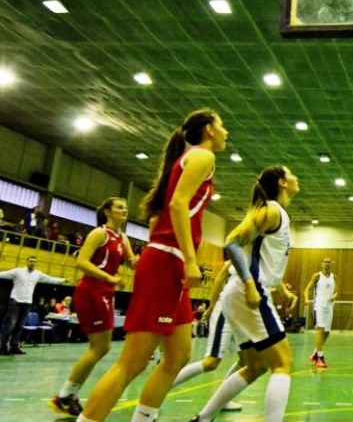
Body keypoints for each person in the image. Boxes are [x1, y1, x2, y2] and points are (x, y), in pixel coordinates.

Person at [77, 109, 228, 422]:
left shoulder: (185, 161)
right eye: (222, 126)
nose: (227, 132)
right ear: (209, 130)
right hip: (167, 262)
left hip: (168, 262)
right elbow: (177, 204)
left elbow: (161, 216)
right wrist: (190, 259)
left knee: (178, 356)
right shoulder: (203, 156)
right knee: (132, 362)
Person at [189, 164, 299, 422]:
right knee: (282, 363)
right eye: (290, 174)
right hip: (248, 290)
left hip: (241, 293)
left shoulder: (277, 212)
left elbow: (261, 257)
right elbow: (232, 243)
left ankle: (203, 418)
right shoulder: (272, 210)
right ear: (282, 182)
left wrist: (280, 288)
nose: (296, 177)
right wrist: (250, 284)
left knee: (256, 366)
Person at [49, 197, 137, 417]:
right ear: (107, 211)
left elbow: (133, 262)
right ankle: (64, 395)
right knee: (98, 348)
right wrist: (109, 277)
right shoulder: (99, 233)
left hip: (106, 293)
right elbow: (82, 262)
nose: (124, 210)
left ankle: (69, 395)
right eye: (119, 207)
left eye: (126, 208)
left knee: (102, 348)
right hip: (91, 291)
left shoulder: (123, 238)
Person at [170, 260, 244, 413]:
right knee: (211, 362)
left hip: (241, 313)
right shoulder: (243, 255)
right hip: (227, 309)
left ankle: (224, 399)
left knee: (246, 360)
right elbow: (220, 277)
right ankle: (158, 392)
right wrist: (211, 307)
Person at [0, 256, 67, 355]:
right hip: (15, 301)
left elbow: (49, 279)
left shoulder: (37, 274)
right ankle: (3, 347)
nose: (32, 263)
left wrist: (62, 280)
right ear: (27, 262)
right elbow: (3, 274)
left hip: (27, 302)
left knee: (20, 326)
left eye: (34, 261)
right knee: (10, 325)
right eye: (31, 261)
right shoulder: (18, 271)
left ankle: (14, 347)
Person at [303, 257, 337, 368]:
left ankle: (314, 354)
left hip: (329, 307)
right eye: (325, 262)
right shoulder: (317, 276)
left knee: (327, 332)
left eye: (329, 262)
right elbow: (307, 289)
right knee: (320, 330)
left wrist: (334, 296)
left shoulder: (334, 277)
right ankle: (320, 358)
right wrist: (306, 299)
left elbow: (337, 291)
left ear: (331, 264)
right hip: (319, 306)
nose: (327, 264)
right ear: (322, 264)